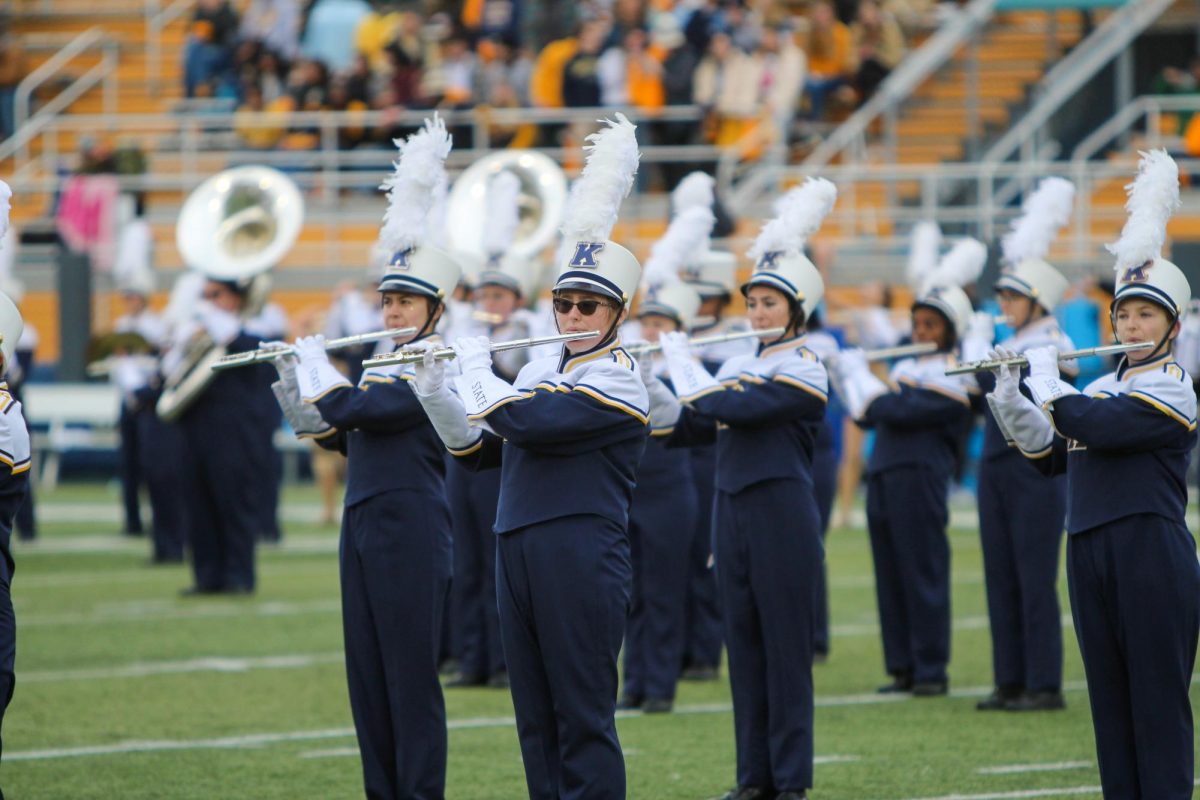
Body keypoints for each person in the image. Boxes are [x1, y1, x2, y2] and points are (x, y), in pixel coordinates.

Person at [414, 115, 647, 799]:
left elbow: (531, 423)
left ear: (617, 313)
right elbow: (478, 450)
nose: (572, 317)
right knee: (534, 718)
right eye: (564, 305)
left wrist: (479, 368)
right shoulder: (545, 370)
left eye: (587, 308)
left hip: (580, 549)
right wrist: (436, 390)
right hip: (516, 543)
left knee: (581, 715)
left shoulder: (618, 376)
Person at [989, 150, 1199, 799]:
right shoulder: (1103, 384)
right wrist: (1011, 400)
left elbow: (1101, 428)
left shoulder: (1176, 386)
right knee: (1109, 705)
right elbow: (1054, 455)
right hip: (1088, 546)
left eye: (1145, 316)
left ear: (1171, 325)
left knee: (1157, 704)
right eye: (1124, 315)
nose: (1130, 325)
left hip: (1148, 548)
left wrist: (1050, 386)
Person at [278, 117, 459, 800]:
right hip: (364, 519)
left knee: (410, 676)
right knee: (368, 675)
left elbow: (367, 411)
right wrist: (299, 394)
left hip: (411, 523)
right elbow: (341, 433)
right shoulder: (383, 358)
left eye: (404, 301)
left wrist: (321, 373)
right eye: (386, 299)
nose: (389, 311)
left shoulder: (434, 357)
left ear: (433, 307)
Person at [653, 179, 836, 800]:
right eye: (753, 303)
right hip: (729, 512)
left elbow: (748, 409)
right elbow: (688, 427)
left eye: (769, 304)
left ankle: (789, 780)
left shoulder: (807, 365)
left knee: (785, 653)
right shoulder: (734, 365)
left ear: (796, 310)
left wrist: (680, 366)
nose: (757, 313)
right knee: (746, 652)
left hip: (782, 513)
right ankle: (753, 777)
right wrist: (649, 377)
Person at [832, 238, 986, 697]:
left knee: (921, 573)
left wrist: (862, 377)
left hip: (919, 481)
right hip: (884, 477)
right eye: (917, 323)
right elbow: (866, 413)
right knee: (890, 575)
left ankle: (930, 669)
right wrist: (847, 375)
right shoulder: (905, 370)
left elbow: (893, 411)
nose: (920, 331)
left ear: (950, 330)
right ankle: (901, 666)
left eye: (931, 325)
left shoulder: (954, 374)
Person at [967, 177, 1076, 712]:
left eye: (1013, 296)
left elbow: (1045, 394)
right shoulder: (1009, 341)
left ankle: (1044, 683)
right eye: (1003, 294)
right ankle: (1008, 678)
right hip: (995, 466)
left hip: (1037, 471)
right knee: (999, 574)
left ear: (1036, 302)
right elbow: (974, 395)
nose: (1003, 303)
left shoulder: (1054, 343)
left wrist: (990, 363)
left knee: (1034, 576)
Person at [620, 282, 703, 714]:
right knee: (631, 594)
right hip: (633, 489)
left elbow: (691, 418)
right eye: (646, 321)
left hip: (670, 492)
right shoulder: (623, 368)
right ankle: (633, 682)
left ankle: (660, 686)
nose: (650, 330)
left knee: (664, 593)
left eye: (660, 324)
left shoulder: (687, 373)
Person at [170, 274, 274, 595]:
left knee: (233, 503)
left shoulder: (251, 332)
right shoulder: (201, 332)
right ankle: (207, 576)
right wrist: (179, 345)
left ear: (235, 298)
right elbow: (170, 375)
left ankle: (240, 576)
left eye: (216, 294)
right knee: (197, 503)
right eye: (205, 294)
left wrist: (220, 329)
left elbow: (254, 359)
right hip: (194, 430)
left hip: (233, 433)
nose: (209, 301)